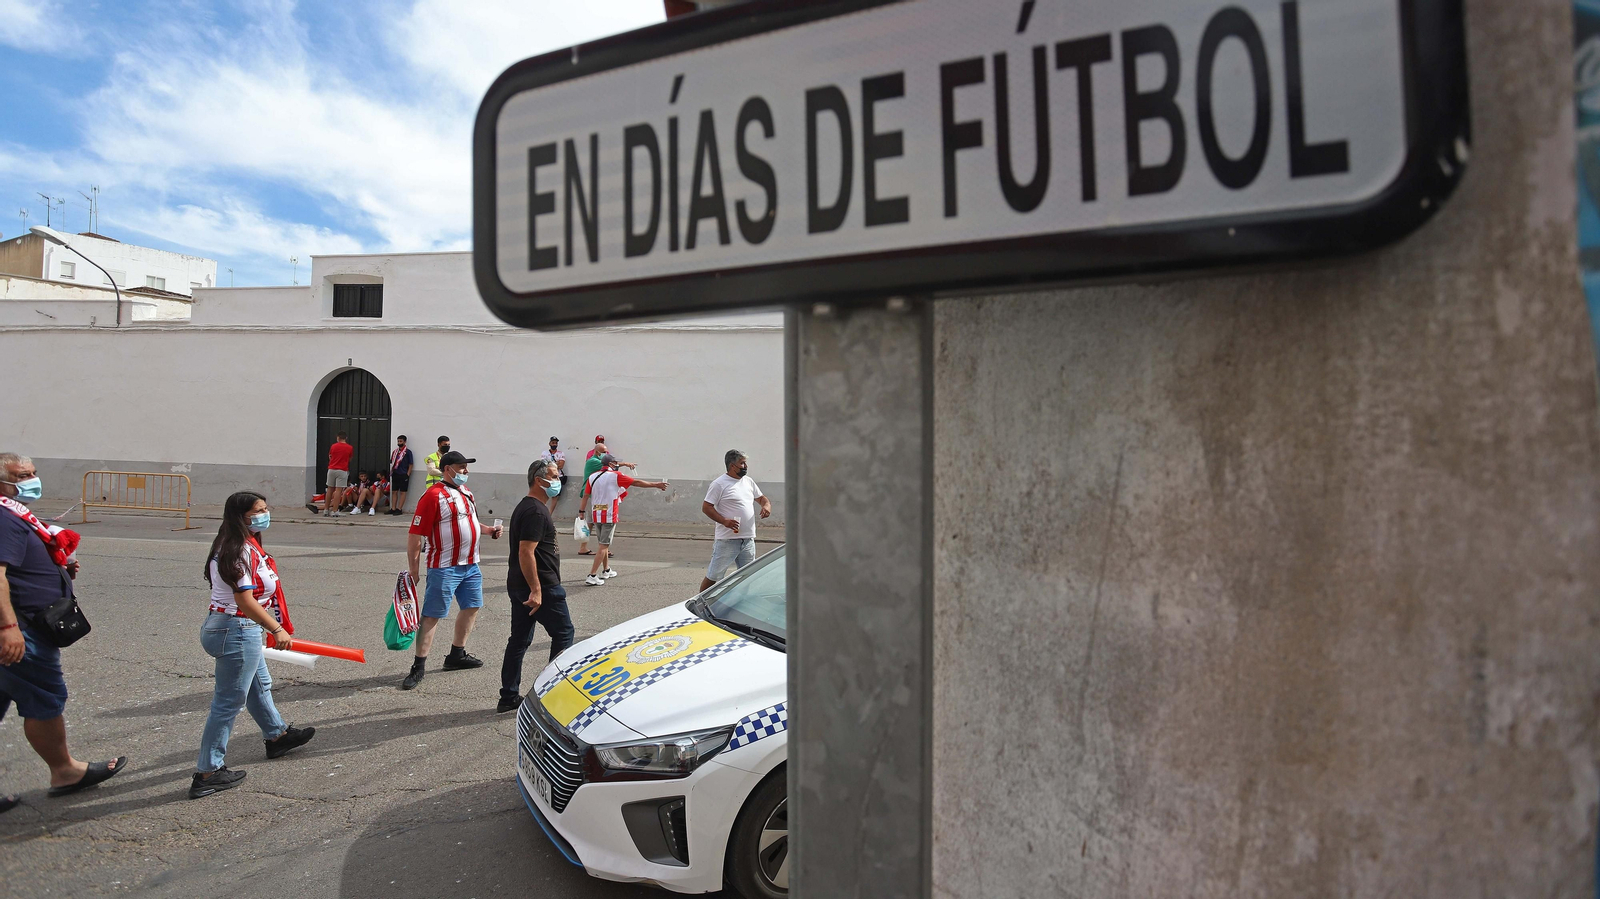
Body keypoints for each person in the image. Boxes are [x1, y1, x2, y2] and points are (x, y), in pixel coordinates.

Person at [0, 452, 126, 813]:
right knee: (44, 697)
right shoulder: (3, 518)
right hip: (23, 629)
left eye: (33, 473)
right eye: (21, 475)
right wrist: (8, 628)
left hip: (27, 623)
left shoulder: (14, 513)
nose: (31, 480)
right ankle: (65, 771)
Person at [191, 492, 315, 799]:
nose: (265, 514)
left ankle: (277, 736)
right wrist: (276, 628)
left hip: (233, 627)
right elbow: (245, 600)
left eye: (265, 508)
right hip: (236, 629)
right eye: (258, 511)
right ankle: (208, 772)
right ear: (241, 516)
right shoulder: (237, 550)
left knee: (259, 685)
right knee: (228, 703)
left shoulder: (239, 543)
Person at [402, 450, 503, 690]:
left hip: (470, 564)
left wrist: (488, 530)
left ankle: (456, 654)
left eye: (466, 467)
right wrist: (414, 570)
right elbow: (415, 535)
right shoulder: (432, 495)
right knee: (432, 614)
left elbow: (468, 520)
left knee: (472, 606)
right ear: (447, 469)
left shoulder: (465, 492)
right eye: (461, 467)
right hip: (444, 566)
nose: (466, 471)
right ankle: (418, 666)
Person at [498, 460, 575, 713]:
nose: (558, 480)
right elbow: (526, 551)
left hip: (522, 585)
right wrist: (536, 589)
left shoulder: (530, 507)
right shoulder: (535, 512)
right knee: (564, 634)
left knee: (519, 640)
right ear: (539, 480)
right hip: (541, 587)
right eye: (554, 476)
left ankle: (508, 696)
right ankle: (552, 694)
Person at [584, 454, 667, 586]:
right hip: (609, 514)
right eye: (615, 462)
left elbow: (586, 495)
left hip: (597, 514)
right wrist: (656, 484)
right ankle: (592, 575)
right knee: (604, 545)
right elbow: (636, 482)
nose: (617, 464)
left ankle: (606, 570)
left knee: (603, 544)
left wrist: (581, 511)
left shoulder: (592, 476)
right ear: (611, 464)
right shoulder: (615, 475)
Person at [699, 450, 772, 591]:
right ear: (732, 466)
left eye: (745, 463)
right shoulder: (719, 484)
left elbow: (762, 498)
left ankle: (741, 601)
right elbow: (706, 507)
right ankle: (700, 601)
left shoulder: (748, 481)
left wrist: (766, 506)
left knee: (748, 576)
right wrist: (724, 521)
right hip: (727, 540)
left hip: (748, 539)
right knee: (714, 576)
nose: (746, 466)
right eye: (742, 463)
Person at [577, 441, 636, 555]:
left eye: (606, 451)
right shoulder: (593, 461)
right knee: (592, 522)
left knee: (595, 521)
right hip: (592, 495)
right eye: (604, 452)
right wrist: (625, 464)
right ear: (596, 452)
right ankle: (596, 548)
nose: (606, 453)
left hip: (595, 495)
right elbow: (611, 466)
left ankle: (601, 547)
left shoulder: (596, 460)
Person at [323, 432, 353, 518]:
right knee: (338, 490)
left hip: (332, 469)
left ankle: (326, 510)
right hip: (342, 470)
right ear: (346, 438)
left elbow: (330, 456)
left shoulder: (333, 446)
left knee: (329, 489)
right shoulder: (349, 447)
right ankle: (335, 510)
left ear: (338, 438)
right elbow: (350, 459)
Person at [539, 437, 567, 515]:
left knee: (555, 496)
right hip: (547, 477)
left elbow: (561, 466)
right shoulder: (544, 453)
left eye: (556, 443)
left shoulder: (561, 453)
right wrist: (556, 463)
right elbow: (543, 465)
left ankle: (549, 514)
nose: (554, 444)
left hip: (557, 477)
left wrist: (550, 464)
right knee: (544, 494)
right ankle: (542, 512)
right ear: (550, 443)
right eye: (553, 443)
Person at [388, 435, 413, 515]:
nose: (399, 443)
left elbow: (411, 464)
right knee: (394, 491)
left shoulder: (408, 452)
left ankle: (399, 509)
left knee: (402, 492)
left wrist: (407, 474)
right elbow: (392, 462)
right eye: (398, 441)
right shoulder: (395, 452)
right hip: (395, 473)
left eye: (401, 441)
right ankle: (393, 508)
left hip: (403, 474)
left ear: (405, 442)